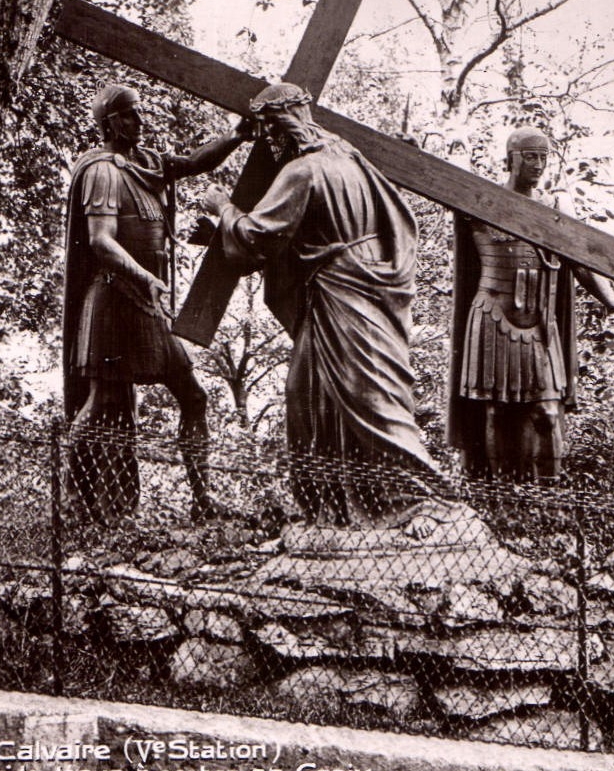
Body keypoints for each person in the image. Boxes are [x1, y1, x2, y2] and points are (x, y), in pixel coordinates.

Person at [191, 82, 440, 525]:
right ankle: (337, 508)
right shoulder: (352, 158)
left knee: (367, 394)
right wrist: (219, 236)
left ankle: (419, 498)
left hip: (343, 295)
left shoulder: (302, 171)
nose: (269, 142)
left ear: (282, 127)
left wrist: (222, 207)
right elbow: (315, 236)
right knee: (312, 391)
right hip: (366, 287)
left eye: (270, 131)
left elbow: (258, 237)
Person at [63, 83, 251, 523]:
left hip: (149, 302)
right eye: (130, 115)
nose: (140, 121)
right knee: (101, 403)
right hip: (114, 299)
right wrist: (146, 275)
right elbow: (101, 241)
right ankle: (73, 499)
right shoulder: (102, 171)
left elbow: (196, 162)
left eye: (140, 113)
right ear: (111, 122)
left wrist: (238, 135)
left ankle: (202, 500)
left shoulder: (149, 163)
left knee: (194, 396)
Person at [448, 127, 614, 484]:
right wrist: (449, 146)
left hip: (539, 323)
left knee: (547, 412)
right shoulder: (481, 200)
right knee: (496, 412)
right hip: (492, 316)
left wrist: (611, 299)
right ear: (511, 159)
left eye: (543, 157)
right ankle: (502, 494)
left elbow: (581, 260)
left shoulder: (553, 208)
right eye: (530, 157)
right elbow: (441, 182)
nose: (538, 164)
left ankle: (549, 497)